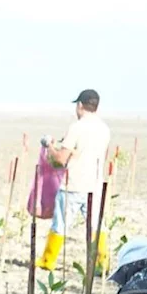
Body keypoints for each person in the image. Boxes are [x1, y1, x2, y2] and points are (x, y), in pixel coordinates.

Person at [38, 89, 111, 271]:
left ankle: (48, 261)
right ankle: (102, 264)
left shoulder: (76, 127)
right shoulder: (104, 129)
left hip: (73, 185)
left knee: (60, 224)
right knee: (96, 225)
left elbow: (61, 159)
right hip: (95, 186)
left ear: (80, 105)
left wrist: (49, 147)